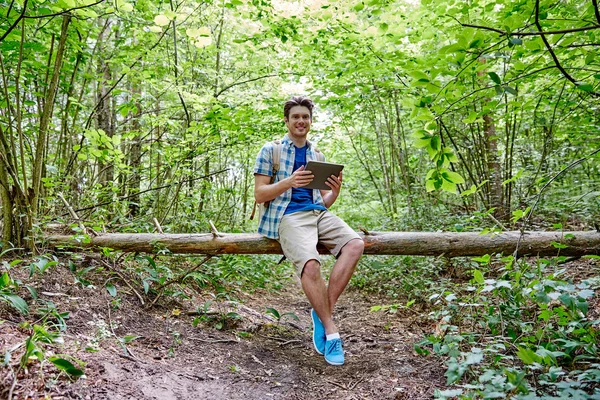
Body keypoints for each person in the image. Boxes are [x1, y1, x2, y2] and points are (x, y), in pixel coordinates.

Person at [253, 96, 364, 366]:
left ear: (311, 121)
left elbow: (321, 201)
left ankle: (320, 309)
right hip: (287, 216)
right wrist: (289, 181)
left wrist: (334, 193)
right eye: (295, 117)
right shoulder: (272, 150)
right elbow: (259, 195)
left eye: (305, 117)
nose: (300, 121)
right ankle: (331, 330)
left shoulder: (318, 156)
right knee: (311, 265)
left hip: (318, 214)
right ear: (287, 121)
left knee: (355, 244)